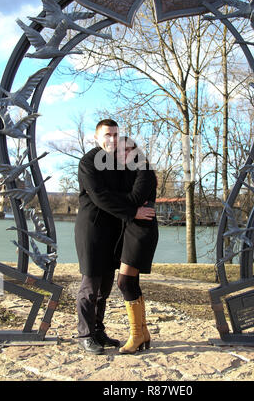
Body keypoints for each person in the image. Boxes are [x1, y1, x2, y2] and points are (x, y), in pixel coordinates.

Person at [75, 119, 155, 355]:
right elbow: (100, 197)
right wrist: (134, 211)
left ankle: (99, 331)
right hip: (91, 230)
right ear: (97, 138)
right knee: (90, 286)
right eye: (107, 135)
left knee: (105, 289)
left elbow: (132, 192)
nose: (112, 139)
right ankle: (85, 335)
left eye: (115, 135)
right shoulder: (89, 162)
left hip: (114, 232)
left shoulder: (120, 163)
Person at [115, 136, 158, 355]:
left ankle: (136, 334)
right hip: (131, 228)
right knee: (132, 282)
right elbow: (130, 200)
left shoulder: (145, 171)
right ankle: (143, 332)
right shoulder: (125, 173)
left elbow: (135, 198)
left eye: (128, 150)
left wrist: (115, 199)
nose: (124, 155)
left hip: (143, 230)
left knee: (123, 282)